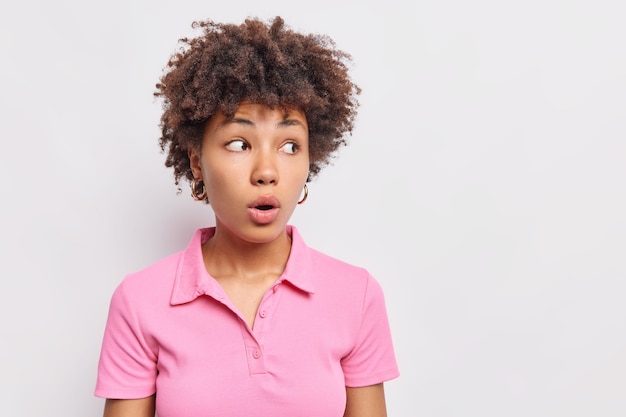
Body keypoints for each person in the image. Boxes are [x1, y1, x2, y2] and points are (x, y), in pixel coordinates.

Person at [94, 16, 399, 417]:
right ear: (196, 162)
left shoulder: (356, 296)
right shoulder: (140, 302)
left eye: (290, 145)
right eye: (240, 143)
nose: (267, 171)